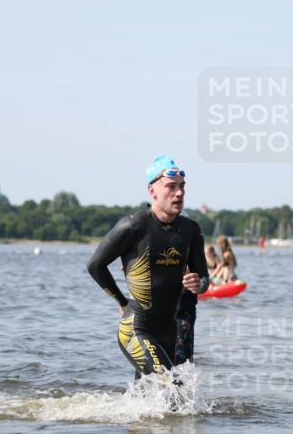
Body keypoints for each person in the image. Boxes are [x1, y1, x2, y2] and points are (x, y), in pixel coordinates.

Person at [87, 156, 210, 380]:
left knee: (153, 403)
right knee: (171, 388)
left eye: (182, 187)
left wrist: (199, 284)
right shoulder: (134, 225)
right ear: (152, 191)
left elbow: (203, 278)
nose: (179, 193)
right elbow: (95, 266)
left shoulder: (191, 230)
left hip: (169, 332)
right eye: (171, 187)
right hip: (136, 328)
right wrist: (121, 301)